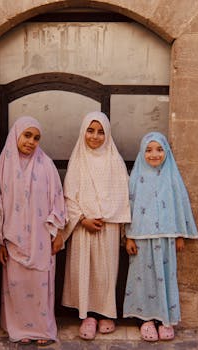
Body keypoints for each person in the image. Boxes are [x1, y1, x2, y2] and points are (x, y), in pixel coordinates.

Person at [0, 116, 66, 346]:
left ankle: (42, 330)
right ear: (16, 134)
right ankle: (19, 328)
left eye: (36, 138)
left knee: (39, 284)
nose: (31, 142)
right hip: (13, 239)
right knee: (17, 286)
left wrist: (59, 234)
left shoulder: (46, 165)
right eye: (27, 135)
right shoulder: (3, 166)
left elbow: (57, 200)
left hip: (41, 239)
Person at [61, 111, 131, 340]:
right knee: (85, 271)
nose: (95, 136)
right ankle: (87, 315)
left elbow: (123, 195)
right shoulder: (78, 159)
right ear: (83, 132)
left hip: (107, 227)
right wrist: (82, 219)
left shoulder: (115, 160)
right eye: (90, 130)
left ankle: (106, 313)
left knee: (105, 272)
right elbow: (69, 195)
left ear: (107, 134)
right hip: (83, 226)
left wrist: (110, 219)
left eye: (101, 132)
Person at [123, 132, 198, 342]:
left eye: (159, 149)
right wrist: (128, 236)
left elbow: (179, 205)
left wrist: (179, 235)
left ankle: (165, 319)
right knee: (142, 279)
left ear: (166, 152)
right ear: (141, 152)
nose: (154, 154)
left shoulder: (171, 176)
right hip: (141, 239)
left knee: (165, 276)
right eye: (148, 150)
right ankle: (145, 319)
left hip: (166, 238)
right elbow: (128, 207)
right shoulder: (136, 178)